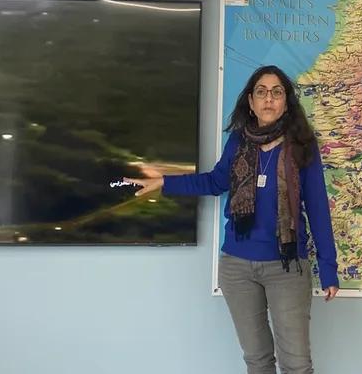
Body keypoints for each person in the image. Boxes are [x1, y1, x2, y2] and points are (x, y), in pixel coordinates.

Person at [129, 65, 339, 374]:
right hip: (237, 268)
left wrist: (329, 268)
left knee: (296, 364)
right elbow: (215, 182)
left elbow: (318, 208)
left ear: (286, 103)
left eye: (277, 92)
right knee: (257, 361)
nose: (269, 99)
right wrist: (164, 182)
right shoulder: (238, 143)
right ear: (251, 103)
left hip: (286, 267)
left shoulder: (302, 147)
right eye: (261, 92)